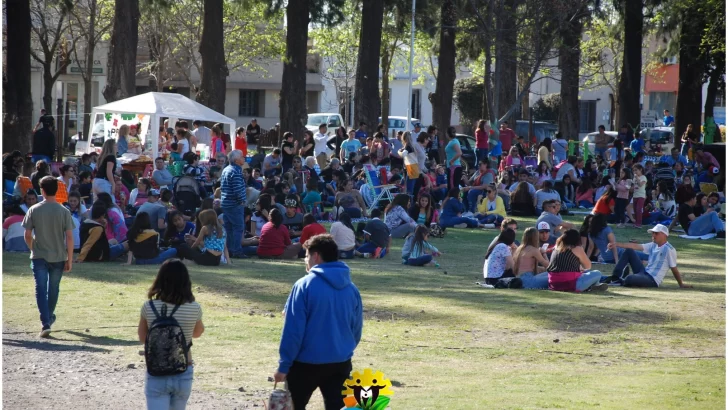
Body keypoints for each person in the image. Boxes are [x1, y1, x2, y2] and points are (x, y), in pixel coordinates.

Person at [274, 234, 362, 410]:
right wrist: (344, 349)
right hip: (340, 363)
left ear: (316, 256)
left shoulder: (303, 286)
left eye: (306, 256)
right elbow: (356, 329)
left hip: (305, 364)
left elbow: (293, 330)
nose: (305, 261)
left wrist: (284, 365)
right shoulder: (352, 289)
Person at [139, 259, 204, 409]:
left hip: (156, 369)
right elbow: (197, 333)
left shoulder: (149, 306)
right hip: (183, 368)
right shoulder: (194, 308)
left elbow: (143, 338)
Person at [21, 177, 75, 337]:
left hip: (39, 255)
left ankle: (45, 321)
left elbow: (27, 234)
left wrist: (33, 248)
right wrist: (70, 259)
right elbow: (70, 237)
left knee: (40, 288)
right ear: (57, 190)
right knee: (53, 288)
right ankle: (48, 317)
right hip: (58, 255)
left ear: (41, 191)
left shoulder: (34, 209)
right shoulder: (64, 211)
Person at [607, 224, 691, 288]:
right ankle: (615, 278)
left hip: (652, 280)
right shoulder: (653, 244)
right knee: (629, 251)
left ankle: (623, 280)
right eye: (653, 233)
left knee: (629, 278)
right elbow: (636, 246)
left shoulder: (669, 249)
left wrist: (681, 284)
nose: (653, 235)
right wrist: (616, 244)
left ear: (664, 235)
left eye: (656, 233)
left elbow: (674, 268)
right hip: (644, 272)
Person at [220, 150, 247, 258]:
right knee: (238, 227)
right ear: (236, 160)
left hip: (225, 203)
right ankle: (236, 251)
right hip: (234, 204)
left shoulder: (226, 169)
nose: (243, 158)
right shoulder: (236, 171)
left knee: (229, 228)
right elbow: (237, 190)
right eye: (242, 156)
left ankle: (230, 250)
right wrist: (242, 201)